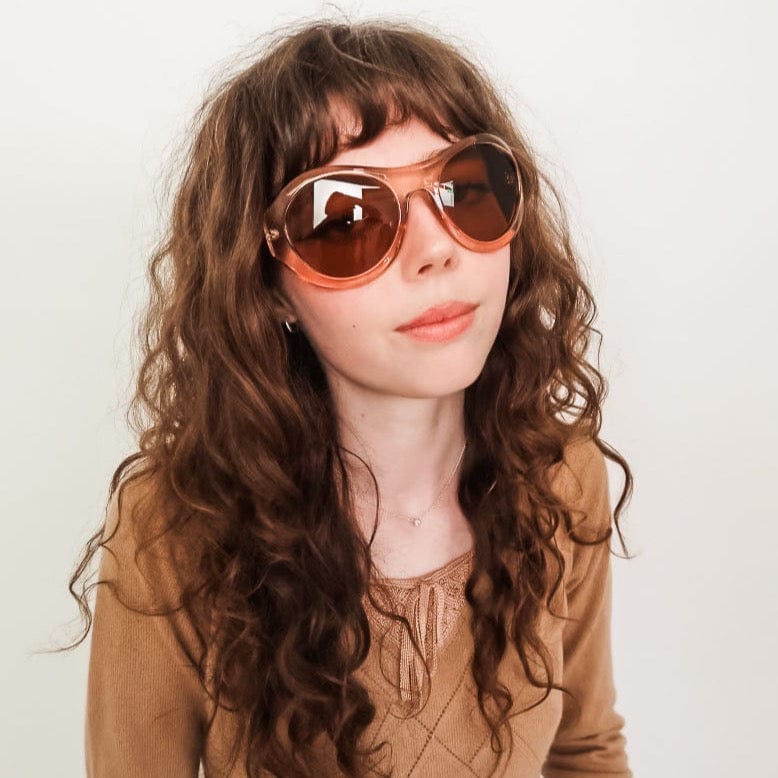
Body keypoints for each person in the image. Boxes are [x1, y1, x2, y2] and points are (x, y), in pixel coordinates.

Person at [68, 18, 634, 778]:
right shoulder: (174, 529)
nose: (435, 250)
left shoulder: (561, 477)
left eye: (466, 189)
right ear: (266, 284)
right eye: (346, 220)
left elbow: (584, 753)